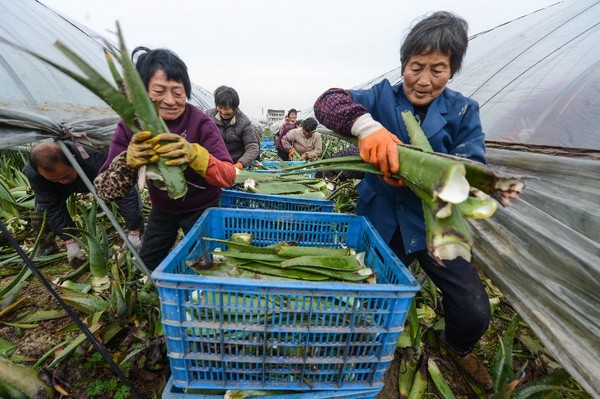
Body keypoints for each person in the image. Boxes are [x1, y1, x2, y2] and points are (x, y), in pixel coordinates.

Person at [313, 11, 493, 389]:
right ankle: (364, 356)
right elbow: (327, 103)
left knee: (474, 310)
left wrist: (422, 174)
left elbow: (472, 168)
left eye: (438, 69)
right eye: (416, 67)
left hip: (434, 225)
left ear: (452, 71)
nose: (424, 80)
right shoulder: (380, 97)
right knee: (366, 301)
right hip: (381, 221)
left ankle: (458, 348)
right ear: (403, 64)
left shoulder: (463, 111)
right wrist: (366, 126)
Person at [94, 47, 236, 271]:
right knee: (147, 265)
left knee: (209, 265)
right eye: (159, 91)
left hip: (203, 208)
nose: (170, 100)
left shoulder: (200, 121)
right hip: (163, 210)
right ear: (141, 93)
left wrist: (195, 154)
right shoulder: (131, 126)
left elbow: (228, 176)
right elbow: (105, 190)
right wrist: (128, 162)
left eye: (178, 92)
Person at [24, 141, 143, 266]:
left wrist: (134, 231)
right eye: (55, 178)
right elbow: (51, 206)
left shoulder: (96, 158)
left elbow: (127, 195)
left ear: (73, 159)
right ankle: (46, 247)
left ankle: (139, 236)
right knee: (42, 208)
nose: (63, 181)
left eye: (65, 175)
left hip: (92, 175)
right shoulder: (34, 174)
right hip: (56, 189)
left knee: (122, 193)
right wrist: (69, 241)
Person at [206, 86, 259, 169]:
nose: (223, 112)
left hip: (234, 163)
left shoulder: (244, 122)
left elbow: (252, 146)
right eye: (220, 107)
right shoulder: (208, 116)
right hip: (213, 163)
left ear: (235, 107)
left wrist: (240, 164)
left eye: (227, 109)